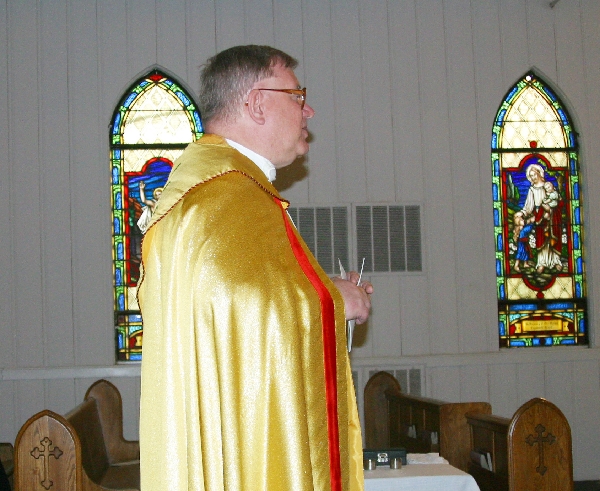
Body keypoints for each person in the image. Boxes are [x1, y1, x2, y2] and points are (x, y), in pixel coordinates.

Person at [137, 45, 373, 491]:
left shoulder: (213, 187)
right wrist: (334, 299)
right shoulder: (229, 196)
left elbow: (238, 302)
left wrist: (322, 287)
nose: (309, 109)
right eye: (297, 95)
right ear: (256, 103)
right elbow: (242, 307)